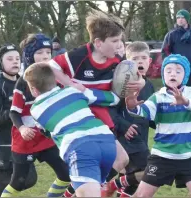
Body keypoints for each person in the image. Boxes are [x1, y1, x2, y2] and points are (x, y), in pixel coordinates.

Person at [48, 10, 145, 196]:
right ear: (98, 43)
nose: (120, 46)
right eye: (115, 41)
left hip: (100, 116)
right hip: (77, 119)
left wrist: (139, 82)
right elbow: (50, 67)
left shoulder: (118, 62)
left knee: (121, 161)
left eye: (120, 40)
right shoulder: (78, 56)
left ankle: (87, 189)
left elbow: (121, 92)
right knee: (100, 166)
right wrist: (70, 84)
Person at [24, 62, 120, 197]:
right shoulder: (72, 91)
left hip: (79, 147)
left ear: (34, 90)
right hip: (106, 140)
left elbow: (46, 132)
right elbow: (112, 99)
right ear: (55, 80)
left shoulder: (35, 110)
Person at [125, 54, 191, 198]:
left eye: (178, 71)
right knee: (142, 195)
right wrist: (132, 106)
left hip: (189, 156)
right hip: (162, 156)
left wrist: (186, 102)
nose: (173, 74)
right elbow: (145, 111)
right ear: (163, 74)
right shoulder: (158, 96)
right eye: (168, 70)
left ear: (185, 75)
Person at [1, 34, 70, 197]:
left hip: (46, 138)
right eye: (40, 52)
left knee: (66, 176)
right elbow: (13, 112)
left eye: (48, 51)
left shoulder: (55, 77)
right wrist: (23, 128)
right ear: (29, 55)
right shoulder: (23, 82)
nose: (45, 56)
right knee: (18, 182)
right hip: (25, 139)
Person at [108, 41, 155, 197]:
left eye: (143, 58)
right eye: (134, 59)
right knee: (150, 173)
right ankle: (111, 185)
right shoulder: (122, 85)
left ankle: (114, 186)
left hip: (142, 137)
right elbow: (110, 111)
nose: (140, 61)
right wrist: (124, 126)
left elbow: (151, 114)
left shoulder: (149, 86)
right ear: (126, 63)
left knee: (132, 183)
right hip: (126, 138)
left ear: (149, 61)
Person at [0, 44, 36, 197]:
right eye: (9, 59)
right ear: (0, 63)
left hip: (23, 140)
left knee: (30, 179)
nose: (15, 62)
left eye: (17, 58)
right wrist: (14, 112)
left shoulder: (26, 82)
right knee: (3, 182)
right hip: (3, 143)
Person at [161, 9, 191, 92]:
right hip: (178, 73)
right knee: (178, 96)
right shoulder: (171, 35)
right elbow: (165, 51)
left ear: (187, 19)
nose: (180, 19)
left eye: (182, 17)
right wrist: (172, 63)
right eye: (178, 18)